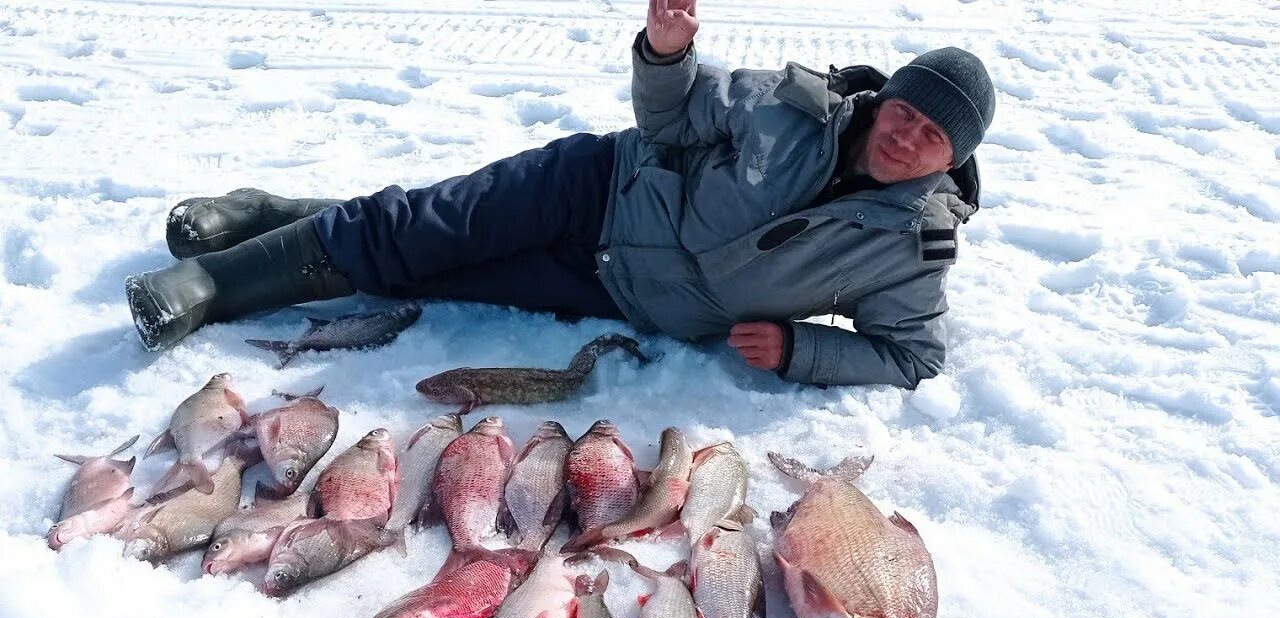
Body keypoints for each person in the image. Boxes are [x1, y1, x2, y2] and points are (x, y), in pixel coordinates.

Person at [127, 0, 994, 389]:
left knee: (428, 268)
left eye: (933, 136)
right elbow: (674, 120)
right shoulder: (795, 105)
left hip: (621, 290)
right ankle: (215, 285)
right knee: (424, 227)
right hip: (597, 188)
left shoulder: (913, 249)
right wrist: (666, 58)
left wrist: (804, 350)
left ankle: (269, 218)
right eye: (906, 112)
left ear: (952, 159)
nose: (906, 137)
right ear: (887, 98)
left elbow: (910, 357)